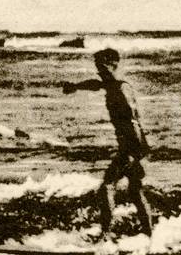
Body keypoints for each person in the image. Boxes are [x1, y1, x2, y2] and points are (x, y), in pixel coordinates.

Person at [62, 48, 153, 236]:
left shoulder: (121, 89)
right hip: (131, 147)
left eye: (102, 67)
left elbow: (134, 122)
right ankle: (149, 236)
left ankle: (105, 237)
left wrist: (134, 154)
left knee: (107, 188)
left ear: (114, 65)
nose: (99, 72)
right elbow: (95, 84)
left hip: (132, 147)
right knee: (135, 192)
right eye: (97, 68)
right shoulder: (111, 85)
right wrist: (75, 86)